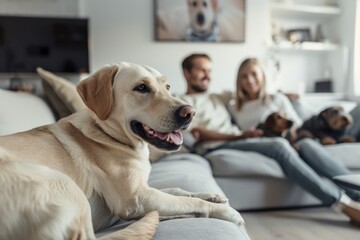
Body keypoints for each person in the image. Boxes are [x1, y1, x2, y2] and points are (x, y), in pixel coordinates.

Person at [178, 53, 360, 226]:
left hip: (241, 140)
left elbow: (253, 93)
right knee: (279, 145)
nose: (207, 75)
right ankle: (342, 204)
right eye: (202, 70)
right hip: (217, 145)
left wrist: (286, 95)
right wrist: (240, 135)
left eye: (210, 70)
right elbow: (198, 133)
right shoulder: (180, 101)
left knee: (304, 144)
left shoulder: (219, 97)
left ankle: (356, 192)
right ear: (187, 73)